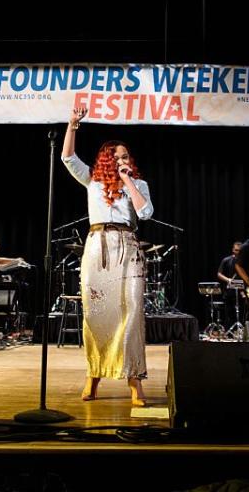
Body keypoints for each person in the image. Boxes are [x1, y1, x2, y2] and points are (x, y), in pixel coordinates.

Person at [62, 106, 153, 406]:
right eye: (116, 156)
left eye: (125, 156)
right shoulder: (93, 181)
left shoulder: (138, 184)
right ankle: (94, 375)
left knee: (132, 314)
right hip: (97, 247)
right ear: (106, 159)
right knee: (97, 315)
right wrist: (73, 125)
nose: (121, 160)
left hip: (127, 247)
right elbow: (67, 158)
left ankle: (134, 382)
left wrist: (128, 181)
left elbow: (146, 213)